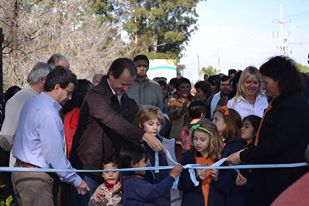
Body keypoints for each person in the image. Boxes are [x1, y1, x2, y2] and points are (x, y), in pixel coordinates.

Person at [70, 58, 164, 205]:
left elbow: (133, 125)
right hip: (90, 167)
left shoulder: (128, 102)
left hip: (115, 167)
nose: (125, 88)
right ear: (111, 76)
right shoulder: (95, 96)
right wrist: (143, 135)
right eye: (122, 84)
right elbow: (113, 120)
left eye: (129, 85)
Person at [226, 56, 309, 205]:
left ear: (280, 81)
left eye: (265, 83)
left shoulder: (293, 106)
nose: (263, 87)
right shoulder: (280, 103)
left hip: (283, 181)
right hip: (268, 179)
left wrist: (244, 155)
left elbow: (278, 143)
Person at [11, 67, 89, 206]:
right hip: (35, 180)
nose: (70, 98)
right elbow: (54, 155)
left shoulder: (32, 103)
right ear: (57, 87)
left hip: (23, 174)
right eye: (69, 92)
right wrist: (76, 180)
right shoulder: (48, 114)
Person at [118, 143, 183, 206]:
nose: (147, 164)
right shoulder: (133, 183)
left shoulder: (130, 181)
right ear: (133, 164)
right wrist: (172, 176)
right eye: (144, 161)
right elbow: (156, 191)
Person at [178, 119, 223, 206]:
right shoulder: (188, 157)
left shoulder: (219, 158)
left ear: (212, 139)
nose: (197, 143)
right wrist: (196, 178)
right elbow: (181, 185)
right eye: (195, 139)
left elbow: (226, 187)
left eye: (202, 139)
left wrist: (217, 179)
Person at [212, 106, 246, 206]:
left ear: (228, 123)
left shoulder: (236, 147)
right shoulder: (223, 144)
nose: (212, 122)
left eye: (216, 119)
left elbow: (233, 180)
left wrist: (218, 179)